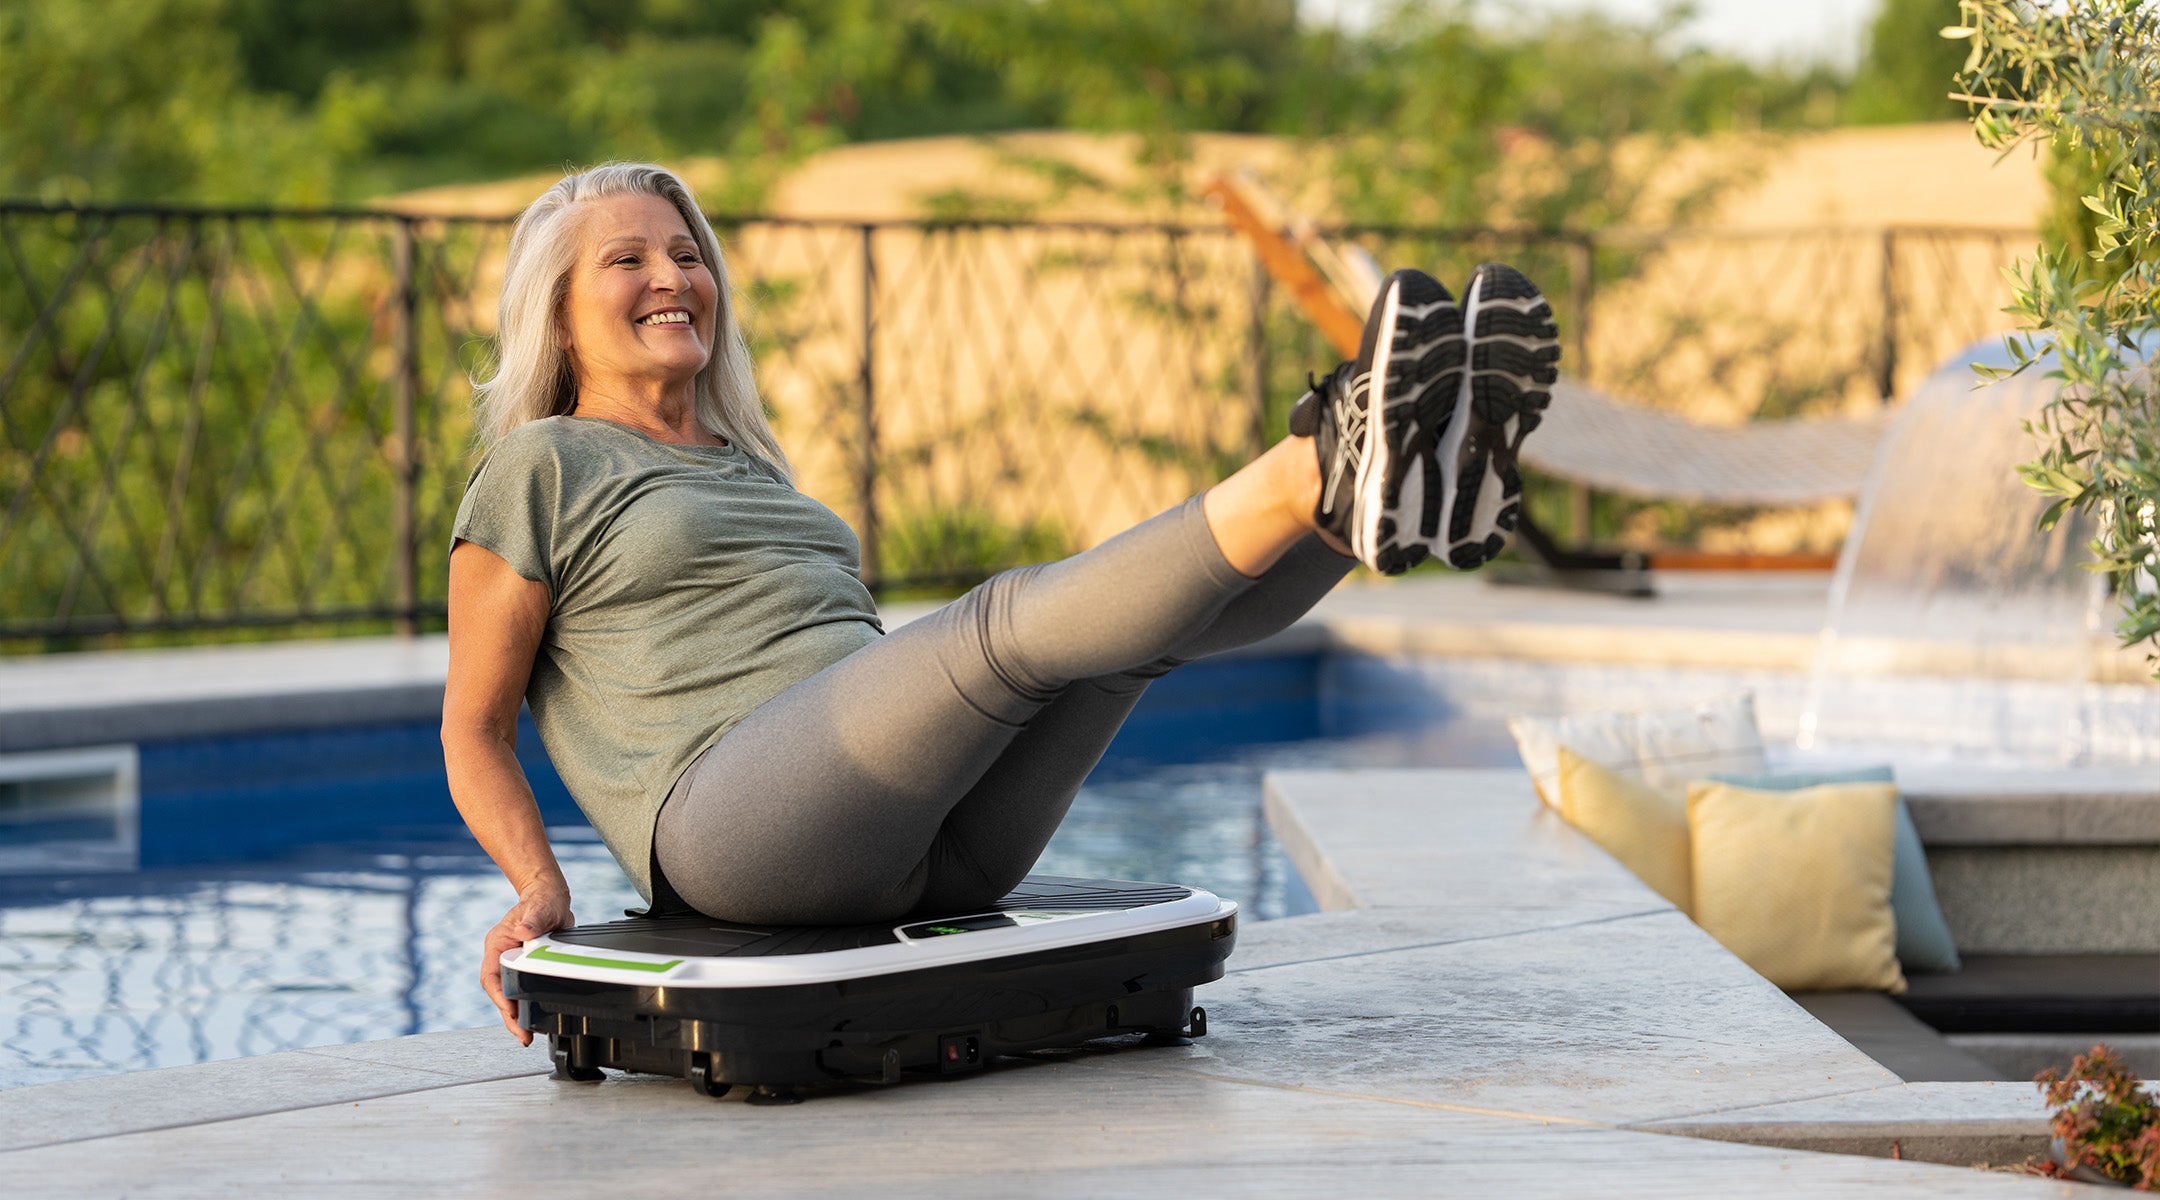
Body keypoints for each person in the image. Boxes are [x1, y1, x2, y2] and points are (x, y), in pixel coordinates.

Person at [442, 163, 1558, 1043]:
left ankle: (1363, 511)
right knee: (1000, 631)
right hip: (735, 833)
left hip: (930, 849)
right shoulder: (544, 465)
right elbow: (475, 725)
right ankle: (1324, 453)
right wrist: (539, 890)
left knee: (1122, 649)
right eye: (627, 260)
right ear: (558, 313)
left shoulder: (747, 464)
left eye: (687, 254)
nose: (673, 278)